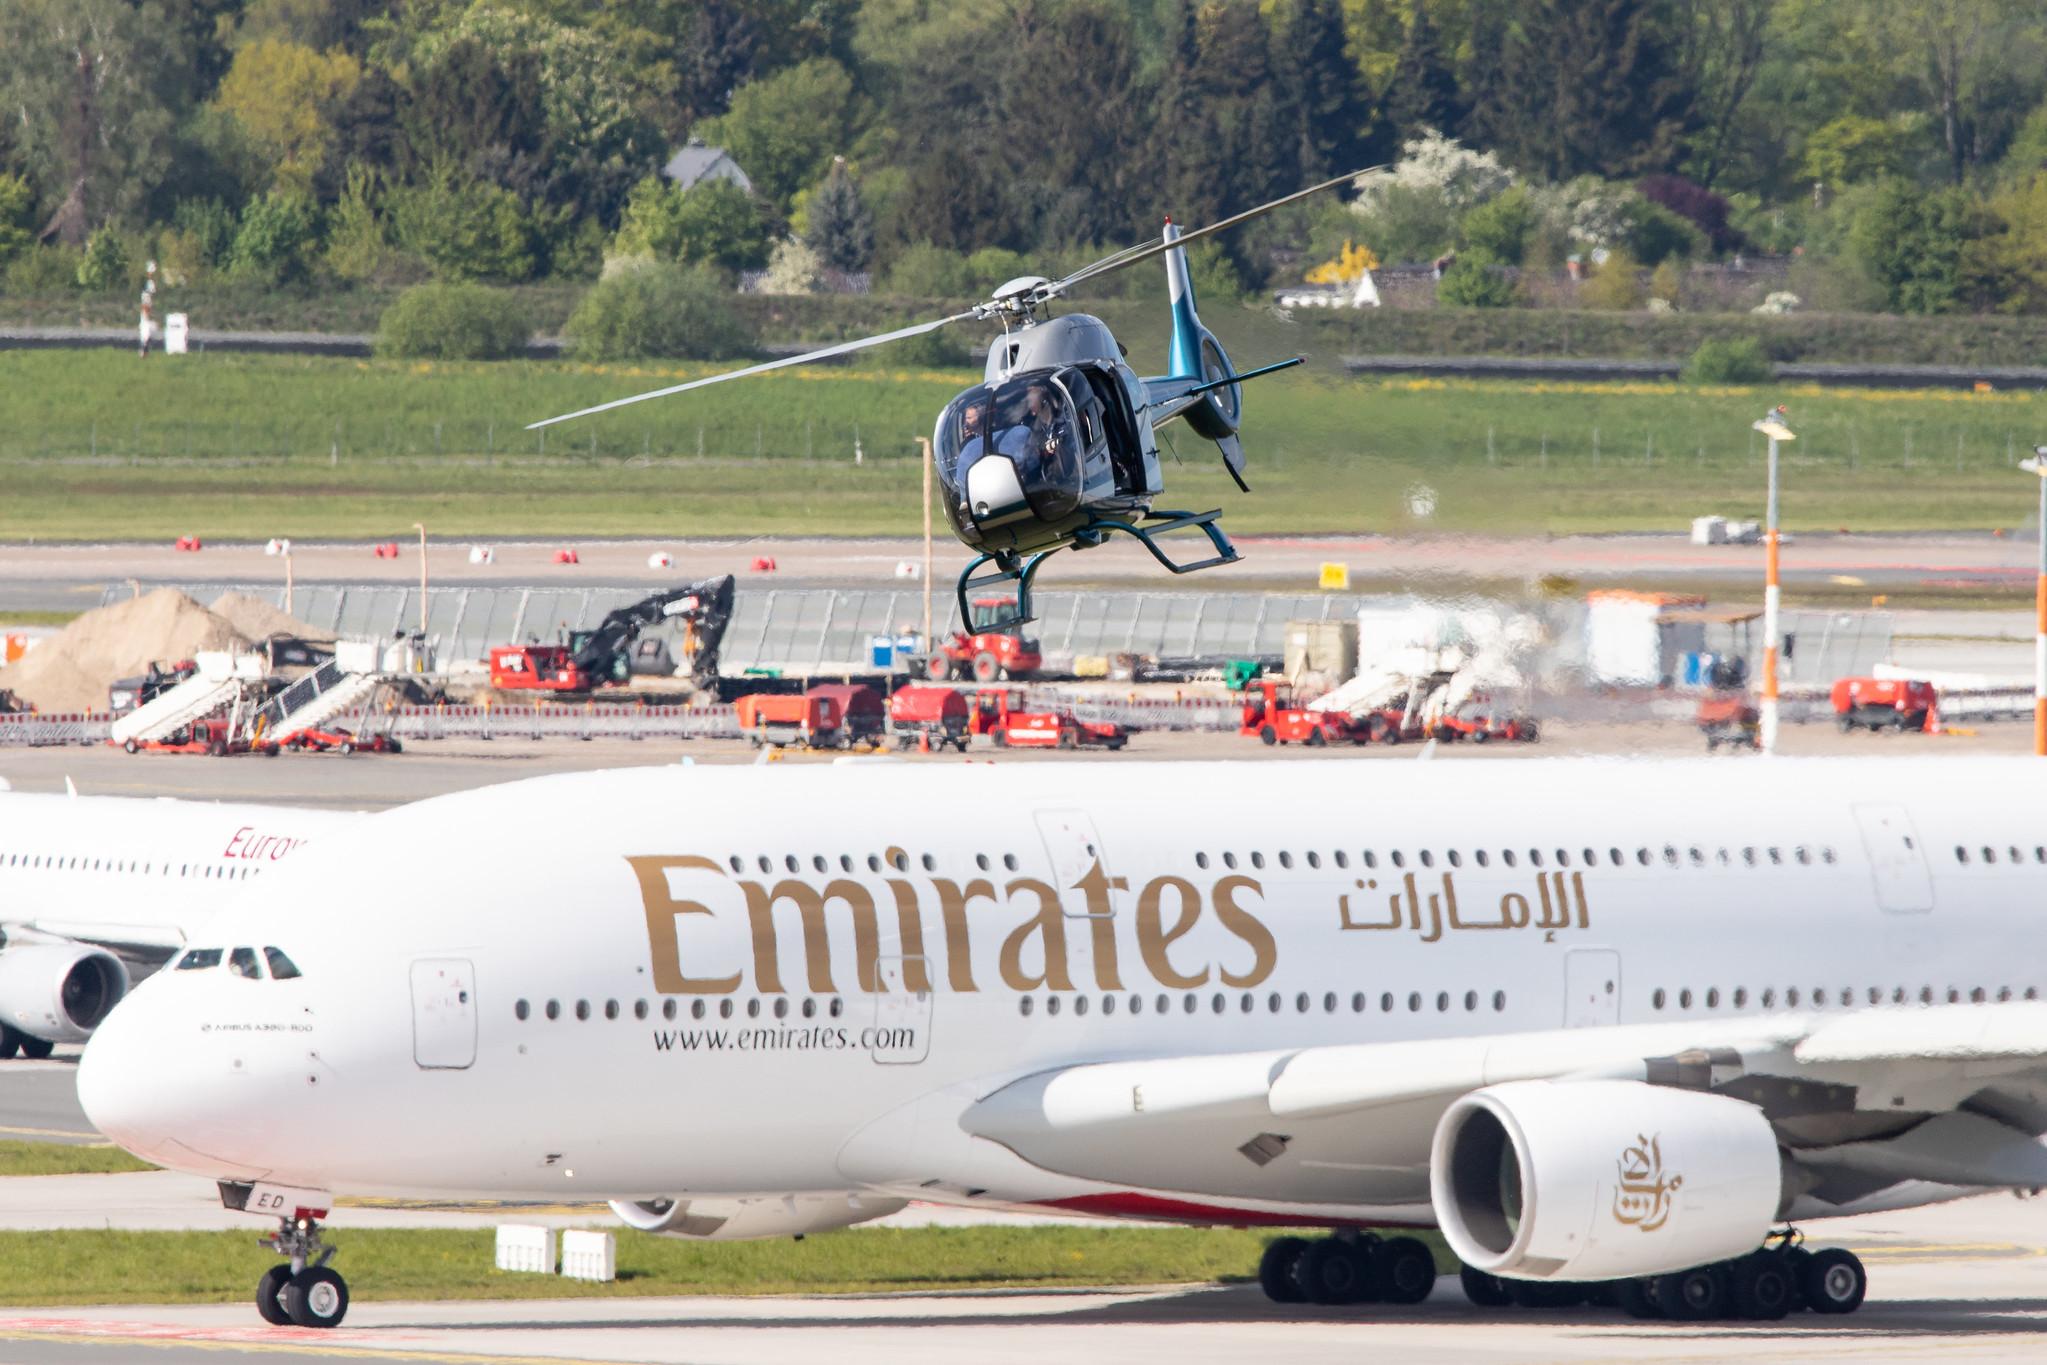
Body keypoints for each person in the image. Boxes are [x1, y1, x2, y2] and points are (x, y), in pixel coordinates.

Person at [137, 260, 157, 357]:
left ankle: (143, 351)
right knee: (147, 334)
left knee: (146, 335)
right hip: (145, 320)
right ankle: (143, 351)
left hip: (145, 320)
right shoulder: (146, 296)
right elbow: (145, 308)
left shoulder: (147, 296)